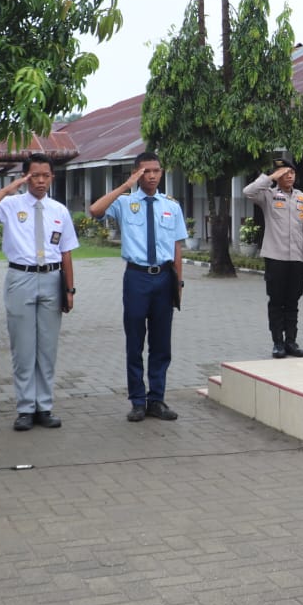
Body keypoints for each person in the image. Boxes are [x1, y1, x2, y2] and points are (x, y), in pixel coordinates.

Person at [0, 153, 78, 431]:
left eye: (45, 175)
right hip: (21, 278)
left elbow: (66, 252)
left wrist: (69, 289)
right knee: (24, 348)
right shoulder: (10, 204)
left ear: (52, 177)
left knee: (47, 348)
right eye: (34, 175)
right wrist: (7, 190)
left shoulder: (59, 210)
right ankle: (26, 408)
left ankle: (44, 407)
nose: (40, 181)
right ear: (26, 177)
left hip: (52, 278)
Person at [90, 151, 187, 422]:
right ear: (136, 173)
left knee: (161, 343)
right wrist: (125, 185)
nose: (152, 176)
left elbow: (176, 247)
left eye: (156, 170)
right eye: (146, 171)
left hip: (164, 277)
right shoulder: (125, 202)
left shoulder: (171, 206)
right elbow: (95, 211)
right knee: (135, 341)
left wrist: (178, 282)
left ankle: (156, 399)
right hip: (136, 278)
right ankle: (137, 401)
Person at [243, 153, 303, 358]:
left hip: (297, 259)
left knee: (293, 302)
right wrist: (271, 177)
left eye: (291, 172)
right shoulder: (269, 195)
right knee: (276, 302)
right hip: (275, 258)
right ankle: (278, 343)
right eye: (284, 173)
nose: (289, 176)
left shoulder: (302, 198)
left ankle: (291, 341)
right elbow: (248, 191)